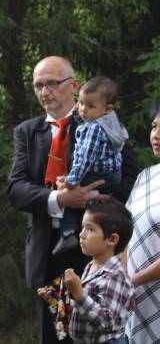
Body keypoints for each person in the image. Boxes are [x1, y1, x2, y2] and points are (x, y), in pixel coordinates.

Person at [7, 56, 139, 344]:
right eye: (38, 86)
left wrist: (96, 201)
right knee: (52, 335)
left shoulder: (102, 123)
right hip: (48, 251)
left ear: (74, 85)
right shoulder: (27, 132)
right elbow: (16, 189)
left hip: (96, 254)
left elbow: (130, 178)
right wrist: (60, 199)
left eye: (52, 83)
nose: (45, 92)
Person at [37, 198, 133, 344]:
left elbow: (106, 322)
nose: (81, 234)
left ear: (112, 239)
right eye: (82, 227)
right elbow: (84, 308)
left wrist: (79, 294)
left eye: (90, 229)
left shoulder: (116, 276)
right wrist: (55, 298)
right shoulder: (91, 266)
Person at [53, 76, 129, 255]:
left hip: (98, 173)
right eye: (80, 103)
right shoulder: (111, 122)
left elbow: (85, 159)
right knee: (94, 204)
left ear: (107, 109)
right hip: (112, 174)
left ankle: (67, 233)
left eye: (90, 106)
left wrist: (71, 181)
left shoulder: (94, 128)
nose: (83, 110)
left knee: (69, 195)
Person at [125, 102, 160, 344]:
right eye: (154, 126)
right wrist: (123, 281)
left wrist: (131, 281)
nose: (156, 135)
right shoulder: (145, 176)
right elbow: (125, 232)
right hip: (135, 297)